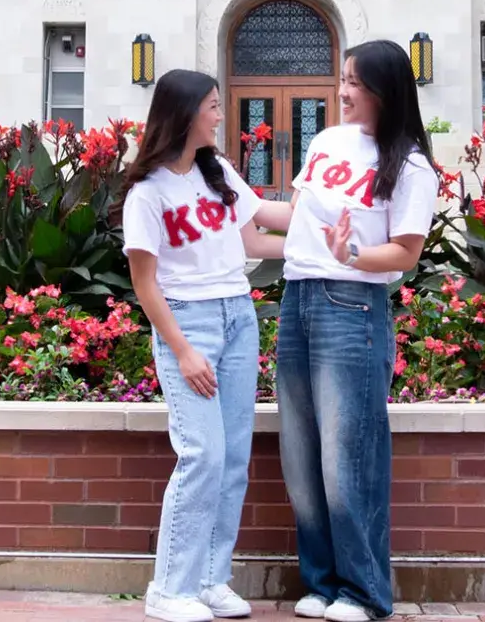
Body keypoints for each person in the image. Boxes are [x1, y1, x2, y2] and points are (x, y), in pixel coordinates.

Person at [276, 40, 440, 622]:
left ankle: (365, 593)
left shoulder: (412, 164)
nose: (342, 91)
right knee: (301, 455)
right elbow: (295, 218)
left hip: (353, 304)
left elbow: (406, 253)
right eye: (342, 79)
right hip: (297, 296)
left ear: (385, 91)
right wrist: (227, 197)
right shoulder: (326, 142)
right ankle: (321, 584)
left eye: (354, 83)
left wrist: (352, 252)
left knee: (349, 454)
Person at [120, 69, 287, 622]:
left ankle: (211, 580)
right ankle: (168, 588)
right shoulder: (147, 193)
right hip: (187, 324)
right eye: (214, 106)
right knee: (203, 454)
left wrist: (332, 216)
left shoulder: (219, 175)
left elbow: (261, 230)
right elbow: (145, 285)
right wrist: (184, 351)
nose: (221, 114)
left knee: (233, 457)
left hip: (239, 316)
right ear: (186, 113)